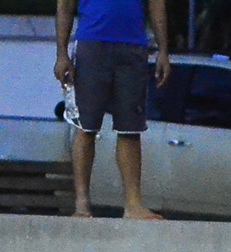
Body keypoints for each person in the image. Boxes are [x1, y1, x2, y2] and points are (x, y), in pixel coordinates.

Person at [54, 0, 168, 220]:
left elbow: (156, 5)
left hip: (133, 45)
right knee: (86, 125)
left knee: (130, 129)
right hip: (92, 42)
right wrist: (62, 54)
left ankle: (133, 204)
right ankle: (82, 204)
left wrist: (163, 51)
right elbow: (65, 6)